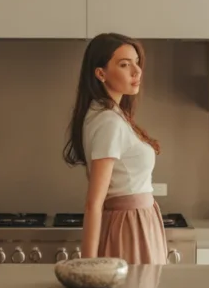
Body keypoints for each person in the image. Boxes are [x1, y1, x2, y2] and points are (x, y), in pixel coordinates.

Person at [63, 32, 168, 264]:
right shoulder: (108, 121)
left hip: (136, 222)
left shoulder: (108, 115)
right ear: (101, 73)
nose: (137, 71)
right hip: (130, 226)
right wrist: (88, 265)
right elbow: (94, 202)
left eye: (137, 63)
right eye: (124, 65)